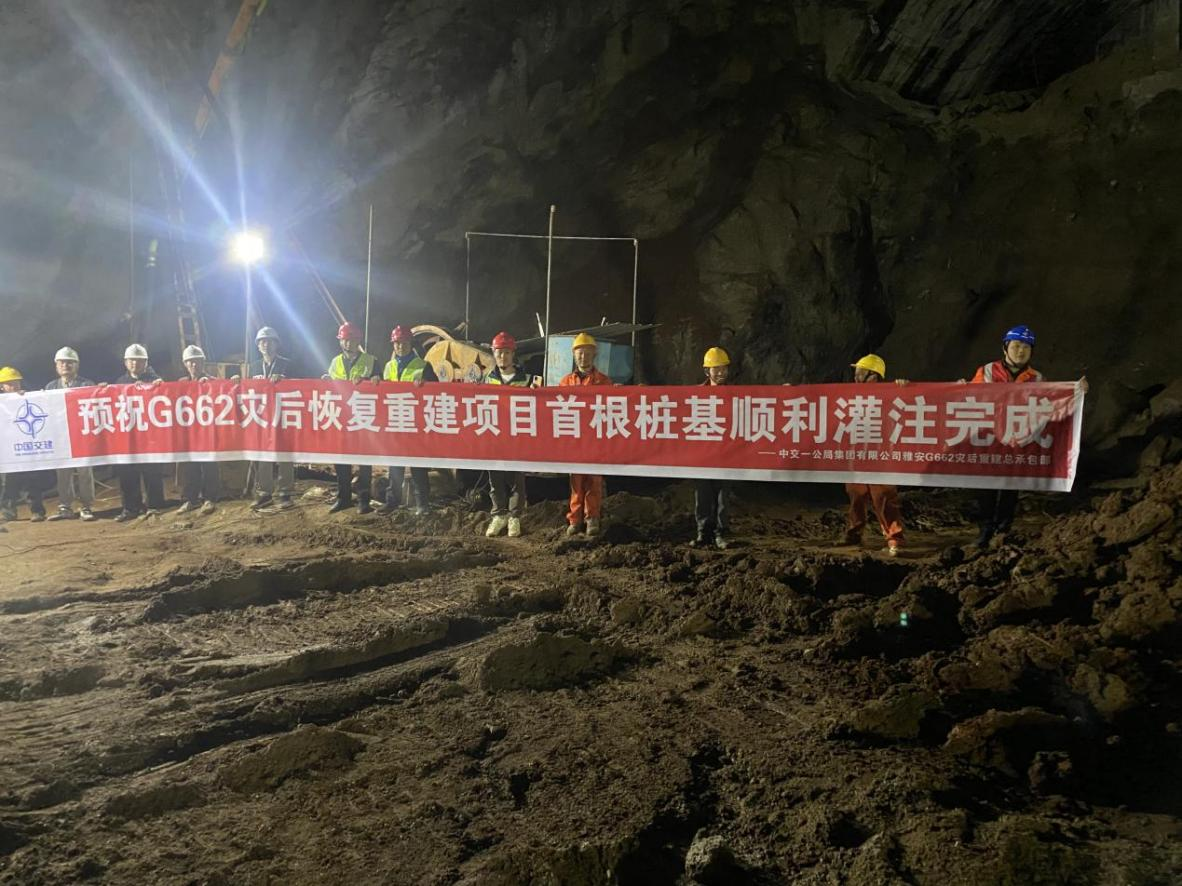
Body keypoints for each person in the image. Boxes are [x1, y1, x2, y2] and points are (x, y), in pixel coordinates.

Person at [967, 324, 1087, 548]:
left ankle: (1003, 530)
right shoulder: (988, 371)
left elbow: (1050, 402)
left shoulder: (1036, 377)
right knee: (985, 484)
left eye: (1026, 347)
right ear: (1005, 347)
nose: (1020, 351)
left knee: (1011, 486)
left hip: (1017, 438)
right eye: (1016, 346)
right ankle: (984, 530)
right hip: (990, 437)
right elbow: (970, 396)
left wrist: (1075, 391)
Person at [842, 354, 905, 557]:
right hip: (857, 454)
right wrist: (792, 392)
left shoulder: (890, 394)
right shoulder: (849, 394)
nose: (856, 376)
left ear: (873, 375)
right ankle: (855, 532)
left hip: (881, 456)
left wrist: (904, 388)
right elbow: (819, 398)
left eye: (860, 372)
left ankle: (894, 538)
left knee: (883, 497)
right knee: (856, 494)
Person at [482, 331, 541, 538]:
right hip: (495, 437)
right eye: (499, 352)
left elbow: (541, 406)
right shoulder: (486, 379)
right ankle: (499, 515)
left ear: (513, 354)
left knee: (517, 480)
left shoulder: (528, 380)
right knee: (495, 479)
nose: (502, 356)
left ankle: (515, 517)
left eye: (506, 352)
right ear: (493, 353)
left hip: (517, 438)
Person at [378, 325, 437, 517]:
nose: (400, 346)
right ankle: (392, 501)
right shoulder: (389, 366)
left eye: (403, 343)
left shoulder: (423, 366)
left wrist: (426, 385)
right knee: (395, 465)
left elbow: (437, 391)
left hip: (415, 423)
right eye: (397, 343)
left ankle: (422, 504)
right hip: (395, 421)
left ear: (410, 343)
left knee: (418, 465)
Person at [559, 332, 613, 537]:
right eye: (580, 353)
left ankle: (592, 518)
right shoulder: (566, 382)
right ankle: (575, 519)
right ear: (574, 355)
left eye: (587, 353)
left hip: (595, 439)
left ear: (594, 355)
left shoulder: (604, 381)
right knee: (576, 481)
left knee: (594, 480)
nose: (583, 357)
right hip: (574, 439)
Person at [323, 322, 376, 514]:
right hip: (341, 417)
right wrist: (326, 381)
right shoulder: (335, 362)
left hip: (362, 416)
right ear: (340, 341)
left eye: (352, 340)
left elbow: (381, 385)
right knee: (341, 458)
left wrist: (372, 380)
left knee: (364, 459)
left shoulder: (371, 361)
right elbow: (331, 384)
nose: (348, 343)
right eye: (345, 340)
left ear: (358, 340)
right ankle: (343, 498)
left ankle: (364, 500)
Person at [111, 344, 165, 522]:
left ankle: (155, 505)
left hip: (149, 436)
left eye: (139, 360)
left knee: (152, 471)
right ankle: (131, 507)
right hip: (128, 435)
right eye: (131, 360)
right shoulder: (119, 382)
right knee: (127, 472)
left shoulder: (155, 380)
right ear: (126, 363)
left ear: (146, 363)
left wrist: (157, 387)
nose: (135, 363)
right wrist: (102, 390)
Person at [43, 347, 97, 521]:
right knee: (63, 472)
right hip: (61, 437)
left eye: (69, 362)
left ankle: (86, 506)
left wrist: (103, 390)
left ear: (77, 365)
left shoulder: (86, 385)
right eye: (62, 363)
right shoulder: (51, 387)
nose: (65, 365)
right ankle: (65, 506)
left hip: (81, 435)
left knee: (84, 471)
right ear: (56, 365)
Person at [248, 327, 295, 510]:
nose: (265, 344)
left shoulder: (287, 365)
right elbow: (247, 390)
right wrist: (236, 381)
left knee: (284, 454)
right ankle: (265, 493)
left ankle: (285, 493)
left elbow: (300, 387)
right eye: (262, 341)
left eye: (269, 341)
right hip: (262, 418)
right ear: (258, 345)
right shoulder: (253, 367)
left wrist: (284, 381)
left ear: (277, 344)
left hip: (283, 416)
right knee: (263, 454)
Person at [692, 347, 733, 549]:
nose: (720, 372)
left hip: (726, 455)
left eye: (723, 368)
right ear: (707, 371)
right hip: (702, 455)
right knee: (702, 495)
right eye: (716, 368)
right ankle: (703, 533)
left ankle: (721, 533)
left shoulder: (737, 395)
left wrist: (786, 393)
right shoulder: (695, 394)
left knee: (723, 497)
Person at [176, 345, 221, 515]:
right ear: (185, 364)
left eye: (197, 361)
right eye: (190, 362)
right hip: (188, 432)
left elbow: (223, 396)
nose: (193, 364)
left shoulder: (213, 381)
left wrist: (210, 385)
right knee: (189, 466)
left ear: (203, 362)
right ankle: (190, 499)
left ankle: (210, 498)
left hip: (207, 432)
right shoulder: (181, 383)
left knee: (209, 465)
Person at [0, 367, 48, 523]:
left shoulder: (27, 397)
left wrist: (29, 397)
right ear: (2, 386)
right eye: (10, 384)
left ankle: (37, 511)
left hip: (26, 446)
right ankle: (8, 511)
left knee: (31, 479)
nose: (14, 386)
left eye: (16, 383)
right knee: (8, 481)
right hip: (8, 449)